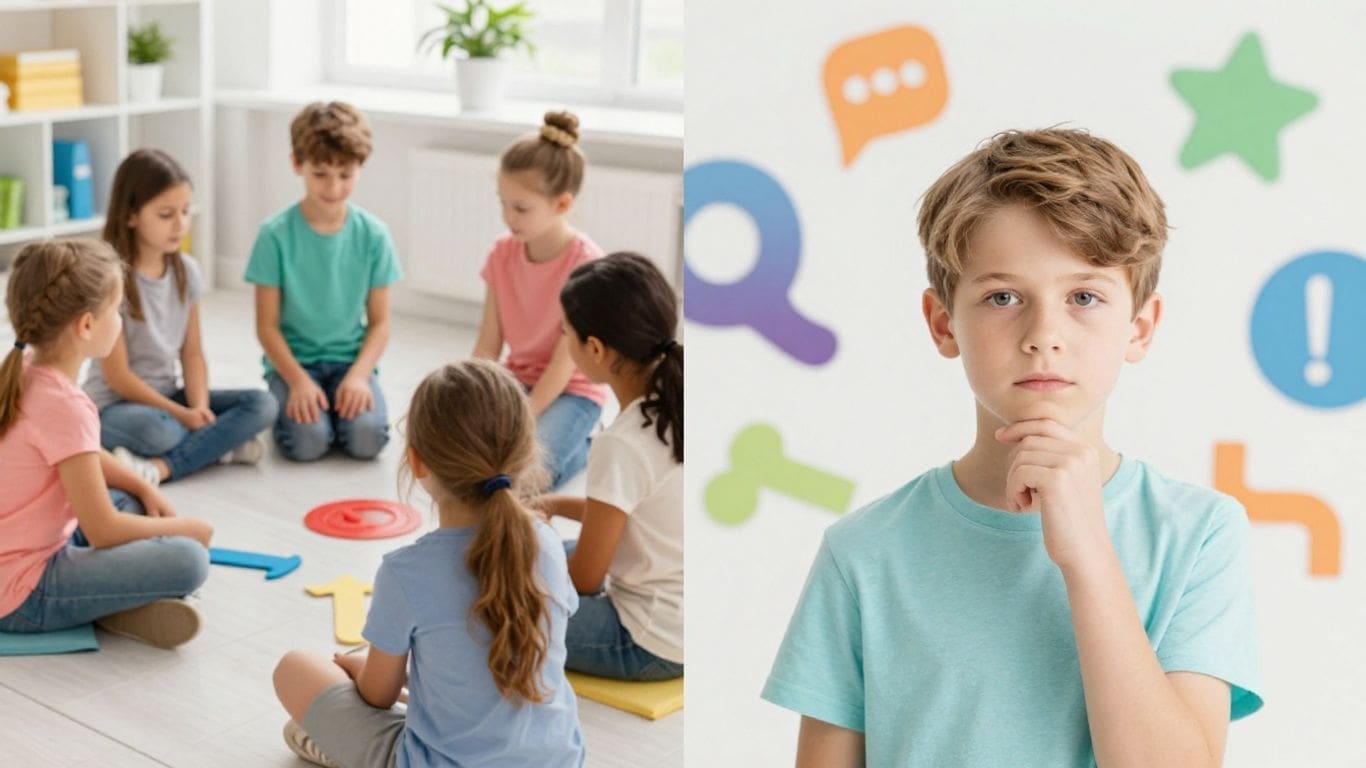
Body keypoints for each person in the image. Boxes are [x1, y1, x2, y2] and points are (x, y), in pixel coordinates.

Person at [763, 129, 1264, 767]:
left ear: (1139, 328)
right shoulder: (862, 552)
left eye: (1084, 297)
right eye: (1003, 297)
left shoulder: (1198, 536)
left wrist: (1088, 555)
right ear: (943, 323)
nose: (1043, 334)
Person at [272, 359, 584, 768]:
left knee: (294, 668)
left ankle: (333, 747)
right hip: (558, 761)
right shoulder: (547, 544)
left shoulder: (406, 572)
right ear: (523, 453)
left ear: (417, 462)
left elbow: (377, 695)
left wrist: (361, 667)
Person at [0, 239, 212, 648]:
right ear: (86, 325)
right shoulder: (66, 405)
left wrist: (143, 485)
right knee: (190, 558)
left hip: (28, 549)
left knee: (129, 500)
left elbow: (80, 455)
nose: (119, 320)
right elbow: (102, 530)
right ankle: (108, 605)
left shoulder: (25, 370)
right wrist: (186, 528)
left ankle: (108, 602)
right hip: (22, 595)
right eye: (116, 310)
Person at [84, 148, 276, 484]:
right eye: (166, 214)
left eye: (185, 212)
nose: (180, 224)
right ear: (130, 216)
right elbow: (119, 378)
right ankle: (217, 448)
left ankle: (163, 466)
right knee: (161, 432)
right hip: (115, 406)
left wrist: (198, 407)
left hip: (169, 395)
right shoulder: (111, 280)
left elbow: (192, 353)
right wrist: (182, 415)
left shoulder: (187, 271)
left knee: (263, 404)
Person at [543, 253, 683, 681]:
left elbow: (585, 579)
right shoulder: (678, 402)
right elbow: (632, 515)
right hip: (687, 614)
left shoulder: (621, 443)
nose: (565, 345)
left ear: (596, 349)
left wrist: (524, 579)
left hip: (647, 640)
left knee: (499, 601)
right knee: (542, 555)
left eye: (567, 335)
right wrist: (552, 504)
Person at [245, 100, 401, 461]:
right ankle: (300, 405)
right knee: (307, 444)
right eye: (320, 174)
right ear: (297, 164)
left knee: (367, 441)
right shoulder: (274, 235)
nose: (333, 187)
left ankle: (334, 408)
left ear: (360, 167)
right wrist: (298, 381)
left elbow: (380, 324)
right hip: (294, 364)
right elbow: (266, 327)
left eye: (345, 175)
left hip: (350, 361)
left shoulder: (374, 235)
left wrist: (359, 376)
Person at [473, 110, 607, 489]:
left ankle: (586, 446)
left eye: (520, 208)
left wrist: (521, 419)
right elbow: (488, 344)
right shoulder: (502, 254)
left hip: (573, 392)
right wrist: (472, 397)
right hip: (519, 380)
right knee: (472, 459)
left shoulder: (585, 265)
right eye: (502, 203)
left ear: (561, 204)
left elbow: (564, 367)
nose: (507, 217)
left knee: (524, 479)